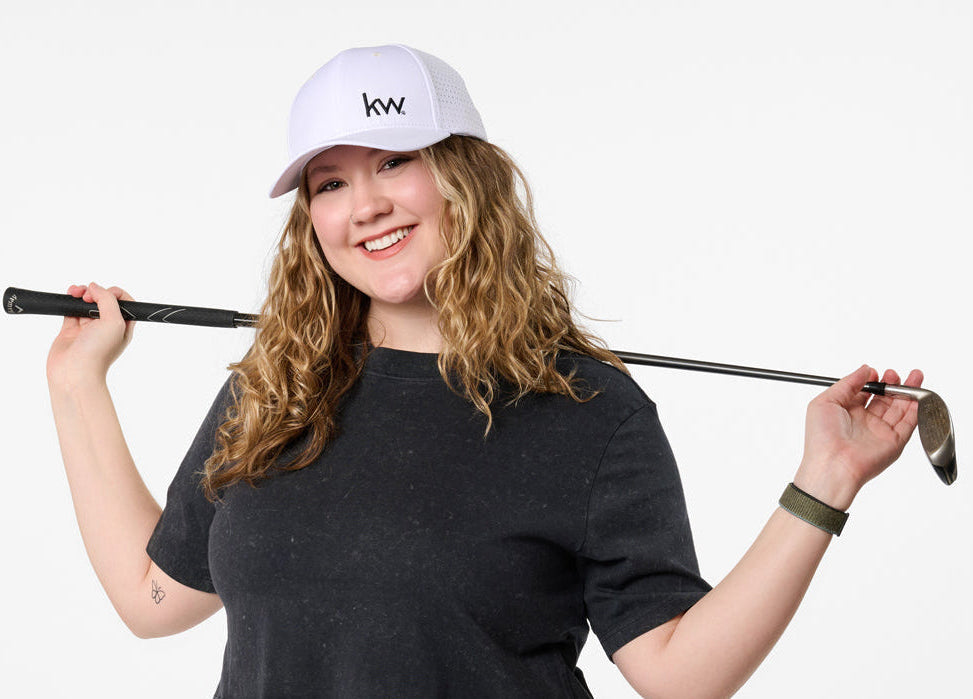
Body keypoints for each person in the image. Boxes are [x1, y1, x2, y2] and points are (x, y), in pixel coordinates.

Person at [46, 45, 922, 698]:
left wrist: (824, 480)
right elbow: (154, 597)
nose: (367, 206)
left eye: (395, 161)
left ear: (463, 175)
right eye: (329, 182)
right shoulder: (275, 385)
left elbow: (676, 673)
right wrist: (77, 384)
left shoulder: (587, 409)